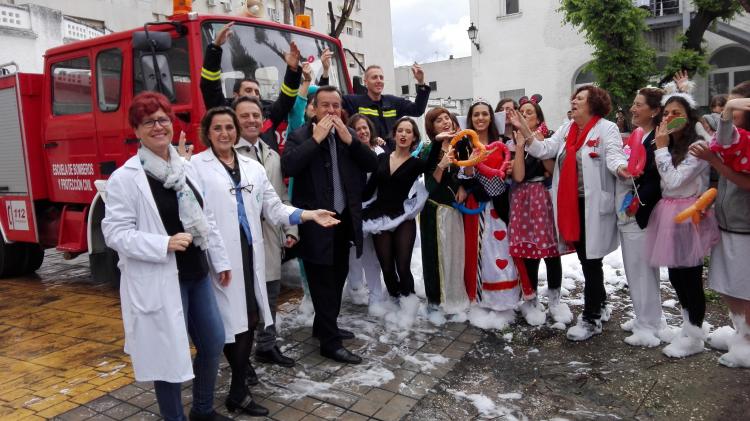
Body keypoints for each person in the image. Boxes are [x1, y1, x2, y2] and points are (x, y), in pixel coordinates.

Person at [190, 106, 337, 415]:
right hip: (219, 256)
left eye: (229, 127)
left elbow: (273, 206)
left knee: (251, 318)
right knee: (228, 323)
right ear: (207, 132)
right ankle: (235, 390)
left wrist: (308, 215)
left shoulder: (252, 167)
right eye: (217, 128)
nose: (224, 133)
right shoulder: (196, 167)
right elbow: (196, 216)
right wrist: (217, 258)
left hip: (250, 251)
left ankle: (239, 389)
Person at [102, 92, 232, 421]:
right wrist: (163, 243)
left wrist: (221, 261)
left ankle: (202, 409)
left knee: (214, 341)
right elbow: (114, 233)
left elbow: (207, 218)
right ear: (137, 129)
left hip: (197, 273)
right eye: (149, 121)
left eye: (163, 119)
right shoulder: (125, 179)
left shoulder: (185, 168)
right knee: (168, 357)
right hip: (161, 279)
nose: (158, 127)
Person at [282, 86, 378, 364]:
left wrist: (352, 142)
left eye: (336, 106)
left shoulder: (346, 136)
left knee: (337, 279)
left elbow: (372, 163)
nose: (332, 111)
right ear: (313, 108)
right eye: (325, 106)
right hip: (315, 224)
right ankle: (329, 343)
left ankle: (324, 326)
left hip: (343, 222)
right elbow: (289, 167)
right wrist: (315, 140)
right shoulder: (300, 135)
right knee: (322, 282)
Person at [525, 85, 627, 341]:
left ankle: (591, 318)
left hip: (592, 205)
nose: (573, 101)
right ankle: (600, 304)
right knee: (587, 260)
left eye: (580, 98)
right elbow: (544, 149)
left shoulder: (607, 128)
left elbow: (614, 157)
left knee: (591, 261)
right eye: (573, 97)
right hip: (571, 205)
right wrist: (524, 130)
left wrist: (623, 168)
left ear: (593, 103)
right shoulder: (567, 128)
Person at [644, 93, 719, 358]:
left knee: (690, 276)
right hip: (668, 213)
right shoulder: (670, 145)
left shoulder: (696, 148)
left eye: (676, 113)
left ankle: (696, 332)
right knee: (675, 274)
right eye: (666, 113)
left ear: (689, 118)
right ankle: (689, 326)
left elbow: (675, 181)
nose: (669, 118)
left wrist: (661, 148)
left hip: (689, 214)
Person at [230, 96, 299, 370]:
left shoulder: (272, 155)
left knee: (270, 295)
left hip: (269, 236)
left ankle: (267, 346)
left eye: (256, 116)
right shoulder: (228, 154)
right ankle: (241, 361)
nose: (251, 121)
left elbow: (281, 197)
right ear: (235, 119)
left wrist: (290, 230)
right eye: (244, 116)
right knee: (244, 303)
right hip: (240, 240)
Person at [690, 84, 750, 368]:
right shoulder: (735, 140)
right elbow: (723, 140)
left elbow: (747, 183)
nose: (727, 115)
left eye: (733, 109)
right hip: (728, 223)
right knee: (726, 284)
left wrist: (713, 160)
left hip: (745, 227)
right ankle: (741, 332)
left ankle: (748, 339)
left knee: (743, 287)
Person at [507, 97, 574, 327]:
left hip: (544, 197)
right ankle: (532, 299)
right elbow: (517, 175)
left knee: (551, 251)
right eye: (522, 112)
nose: (525, 115)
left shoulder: (549, 137)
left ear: (538, 118)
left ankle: (555, 299)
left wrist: (537, 141)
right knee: (529, 253)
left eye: (529, 112)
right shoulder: (510, 142)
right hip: (522, 198)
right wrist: (518, 145)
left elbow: (551, 169)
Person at [616, 87, 669, 347]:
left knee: (642, 270)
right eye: (633, 104)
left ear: (655, 110)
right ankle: (645, 317)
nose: (633, 109)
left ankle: (649, 323)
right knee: (634, 267)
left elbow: (656, 178)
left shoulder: (658, 138)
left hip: (642, 210)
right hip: (631, 207)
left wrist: (636, 204)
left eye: (639, 105)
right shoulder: (638, 134)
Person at [458, 100, 523, 315]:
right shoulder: (465, 145)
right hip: (477, 204)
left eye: (484, 114)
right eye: (476, 115)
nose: (480, 118)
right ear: (470, 119)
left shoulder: (503, 143)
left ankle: (508, 296)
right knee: (480, 249)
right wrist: (470, 163)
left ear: (491, 117)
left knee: (504, 246)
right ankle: (482, 297)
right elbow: (465, 177)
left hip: (502, 203)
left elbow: (511, 172)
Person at [362, 117, 430, 317]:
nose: (403, 134)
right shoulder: (381, 158)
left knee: (402, 265)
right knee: (387, 267)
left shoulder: (417, 163)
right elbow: (368, 190)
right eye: (400, 130)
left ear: (414, 137)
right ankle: (394, 301)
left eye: (409, 132)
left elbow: (435, 172)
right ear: (394, 134)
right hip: (379, 216)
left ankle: (408, 302)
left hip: (403, 216)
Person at [200, 22, 302, 152]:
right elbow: (209, 86)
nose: (253, 94)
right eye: (248, 90)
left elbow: (287, 98)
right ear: (236, 95)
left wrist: (293, 69)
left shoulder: (268, 115)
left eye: (256, 92)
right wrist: (215, 48)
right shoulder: (225, 112)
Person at [420, 108, 470, 317]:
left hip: (455, 211)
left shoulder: (462, 145)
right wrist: (441, 164)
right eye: (438, 121)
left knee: (456, 255)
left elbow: (468, 172)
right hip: (435, 211)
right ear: (432, 127)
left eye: (447, 118)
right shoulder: (428, 149)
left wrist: (463, 186)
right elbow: (430, 186)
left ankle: (456, 298)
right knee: (435, 258)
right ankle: (435, 302)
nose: (445, 122)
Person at [322, 64, 431, 143]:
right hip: (366, 157)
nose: (379, 80)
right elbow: (326, 98)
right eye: (374, 77)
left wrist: (421, 82)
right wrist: (326, 71)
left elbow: (417, 110)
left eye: (381, 77)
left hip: (390, 159)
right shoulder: (354, 101)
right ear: (365, 82)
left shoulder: (393, 102)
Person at [345, 113, 386, 308]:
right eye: (357, 129)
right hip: (355, 210)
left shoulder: (380, 150)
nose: (362, 132)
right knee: (354, 251)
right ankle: (355, 287)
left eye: (365, 128)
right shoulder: (347, 152)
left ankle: (375, 291)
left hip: (377, 209)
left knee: (373, 252)